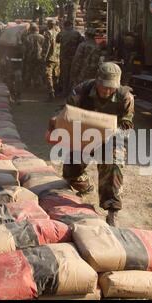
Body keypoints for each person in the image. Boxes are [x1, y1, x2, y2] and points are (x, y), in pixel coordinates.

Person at [60, 62, 135, 227]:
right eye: (104, 87)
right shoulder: (81, 92)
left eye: (111, 88)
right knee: (70, 171)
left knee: (114, 163)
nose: (107, 91)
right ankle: (85, 186)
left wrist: (111, 132)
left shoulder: (125, 97)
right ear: (97, 81)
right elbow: (65, 114)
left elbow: (127, 124)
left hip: (111, 139)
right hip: (84, 137)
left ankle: (112, 210)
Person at [56, 20, 83, 97]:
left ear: (65, 26)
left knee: (64, 75)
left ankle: (64, 92)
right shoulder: (77, 33)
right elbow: (81, 42)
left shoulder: (61, 33)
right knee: (73, 75)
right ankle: (72, 92)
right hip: (74, 58)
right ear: (71, 25)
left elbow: (57, 41)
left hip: (64, 58)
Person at [42, 19, 61, 101]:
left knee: (48, 76)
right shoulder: (59, 33)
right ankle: (56, 93)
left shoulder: (48, 33)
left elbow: (47, 47)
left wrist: (44, 57)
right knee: (56, 76)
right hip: (57, 58)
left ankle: (51, 94)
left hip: (50, 59)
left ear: (49, 25)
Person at [23, 23, 45, 89]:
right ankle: (37, 84)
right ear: (37, 30)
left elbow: (25, 48)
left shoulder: (28, 37)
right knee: (38, 71)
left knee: (29, 70)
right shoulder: (42, 37)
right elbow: (44, 47)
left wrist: (25, 55)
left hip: (30, 56)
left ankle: (27, 84)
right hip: (39, 56)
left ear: (31, 30)